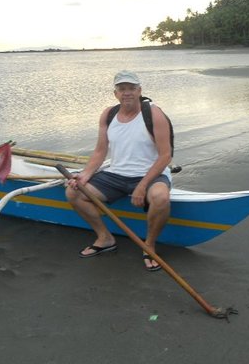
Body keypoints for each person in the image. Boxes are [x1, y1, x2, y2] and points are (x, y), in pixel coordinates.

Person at [65, 70, 172, 271]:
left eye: (131, 88)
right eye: (122, 89)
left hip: (149, 174)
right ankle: (105, 238)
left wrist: (141, 187)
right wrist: (85, 174)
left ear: (139, 91)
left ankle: (149, 245)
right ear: (115, 93)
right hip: (116, 174)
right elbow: (100, 150)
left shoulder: (154, 113)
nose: (127, 93)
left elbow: (165, 155)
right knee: (73, 192)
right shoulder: (108, 114)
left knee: (161, 198)